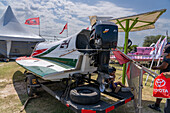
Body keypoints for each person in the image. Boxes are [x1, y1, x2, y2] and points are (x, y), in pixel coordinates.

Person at [148, 44, 170, 112]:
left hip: (166, 78)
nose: (166, 56)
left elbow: (164, 66)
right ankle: (157, 105)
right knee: (161, 92)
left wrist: (156, 67)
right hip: (165, 77)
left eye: (167, 54)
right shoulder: (167, 56)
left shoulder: (167, 58)